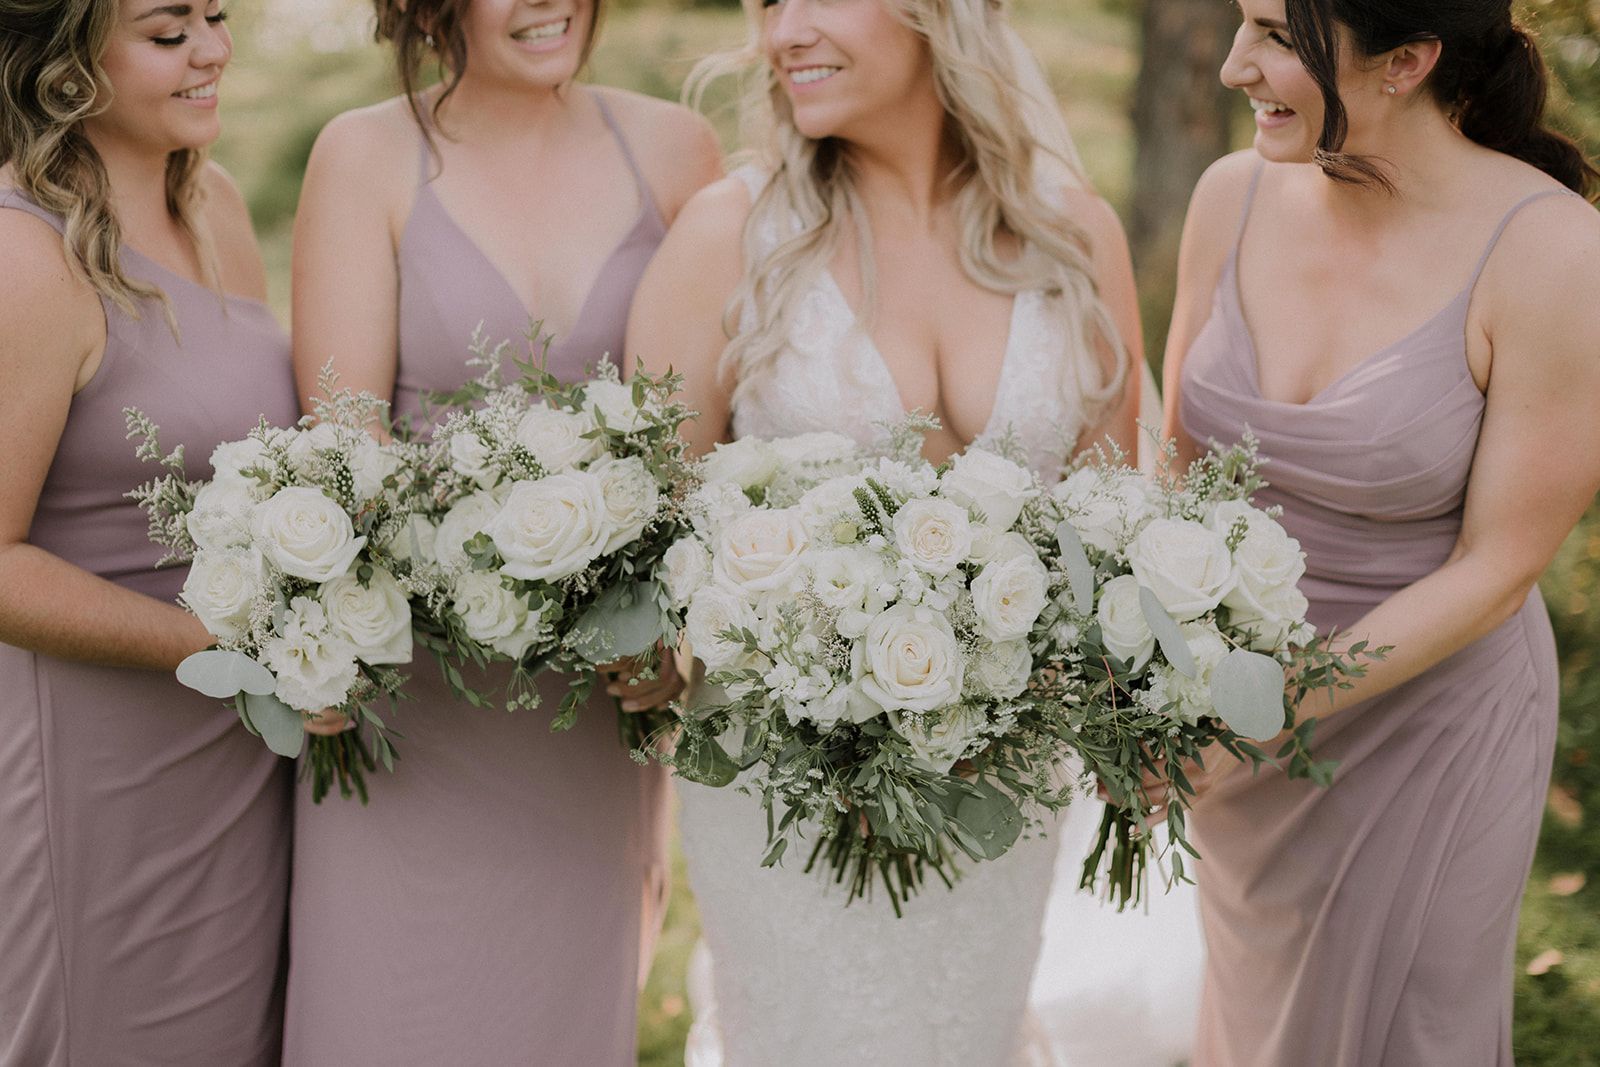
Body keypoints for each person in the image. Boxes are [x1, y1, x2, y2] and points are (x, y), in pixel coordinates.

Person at [625, 0, 1152, 1062]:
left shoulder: (1071, 231)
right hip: (787, 795)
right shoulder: (733, 234)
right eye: (767, 6)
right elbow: (645, 539)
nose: (782, 34)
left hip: (1003, 780)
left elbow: (1109, 517)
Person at [1161, 0, 1600, 1062]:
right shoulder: (1231, 196)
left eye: (1272, 33)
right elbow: (1171, 465)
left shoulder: (1555, 256)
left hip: (1428, 719)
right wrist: (1166, 671)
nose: (1231, 66)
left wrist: (1259, 711)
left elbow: (1498, 567)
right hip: (1236, 728)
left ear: (1405, 61)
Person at [282, 0, 721, 1062]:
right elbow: (344, 460)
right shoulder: (364, 156)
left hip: (590, 730)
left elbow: (715, 451)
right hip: (413, 719)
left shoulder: (676, 148)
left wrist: (679, 629)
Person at [0, 1, 297, 1062]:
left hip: (246, 757)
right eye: (170, 32)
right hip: (103, 774)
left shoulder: (211, 201)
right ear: (66, 63)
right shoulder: (23, 255)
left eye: (216, 16)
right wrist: (227, 650)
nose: (212, 49)